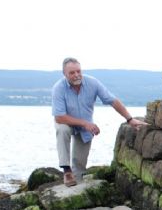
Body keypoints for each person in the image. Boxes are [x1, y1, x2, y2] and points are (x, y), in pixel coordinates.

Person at [52, 57, 146, 186]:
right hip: (67, 122)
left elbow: (112, 100)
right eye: (72, 73)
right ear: (64, 74)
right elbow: (59, 117)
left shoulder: (93, 83)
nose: (76, 75)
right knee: (62, 130)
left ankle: (77, 183)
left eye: (78, 71)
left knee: (79, 166)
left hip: (86, 127)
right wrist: (85, 123)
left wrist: (129, 119)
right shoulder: (58, 88)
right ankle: (67, 171)